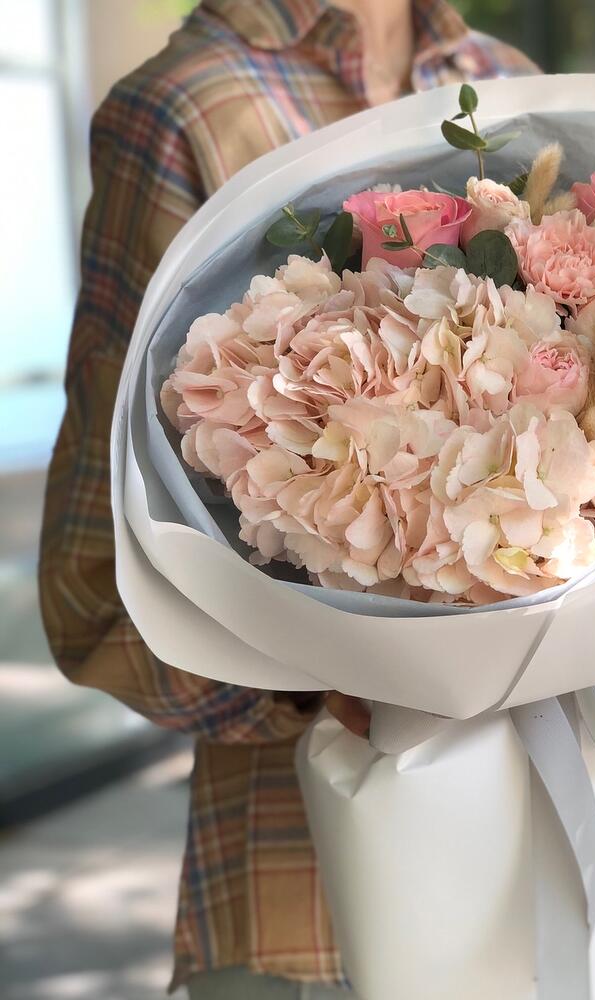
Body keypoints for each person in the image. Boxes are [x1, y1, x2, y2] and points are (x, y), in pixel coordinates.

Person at [38, 2, 537, 996]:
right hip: (308, 902)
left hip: (542, 875)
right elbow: (95, 592)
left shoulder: (508, 81)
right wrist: (345, 670)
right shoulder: (188, 111)